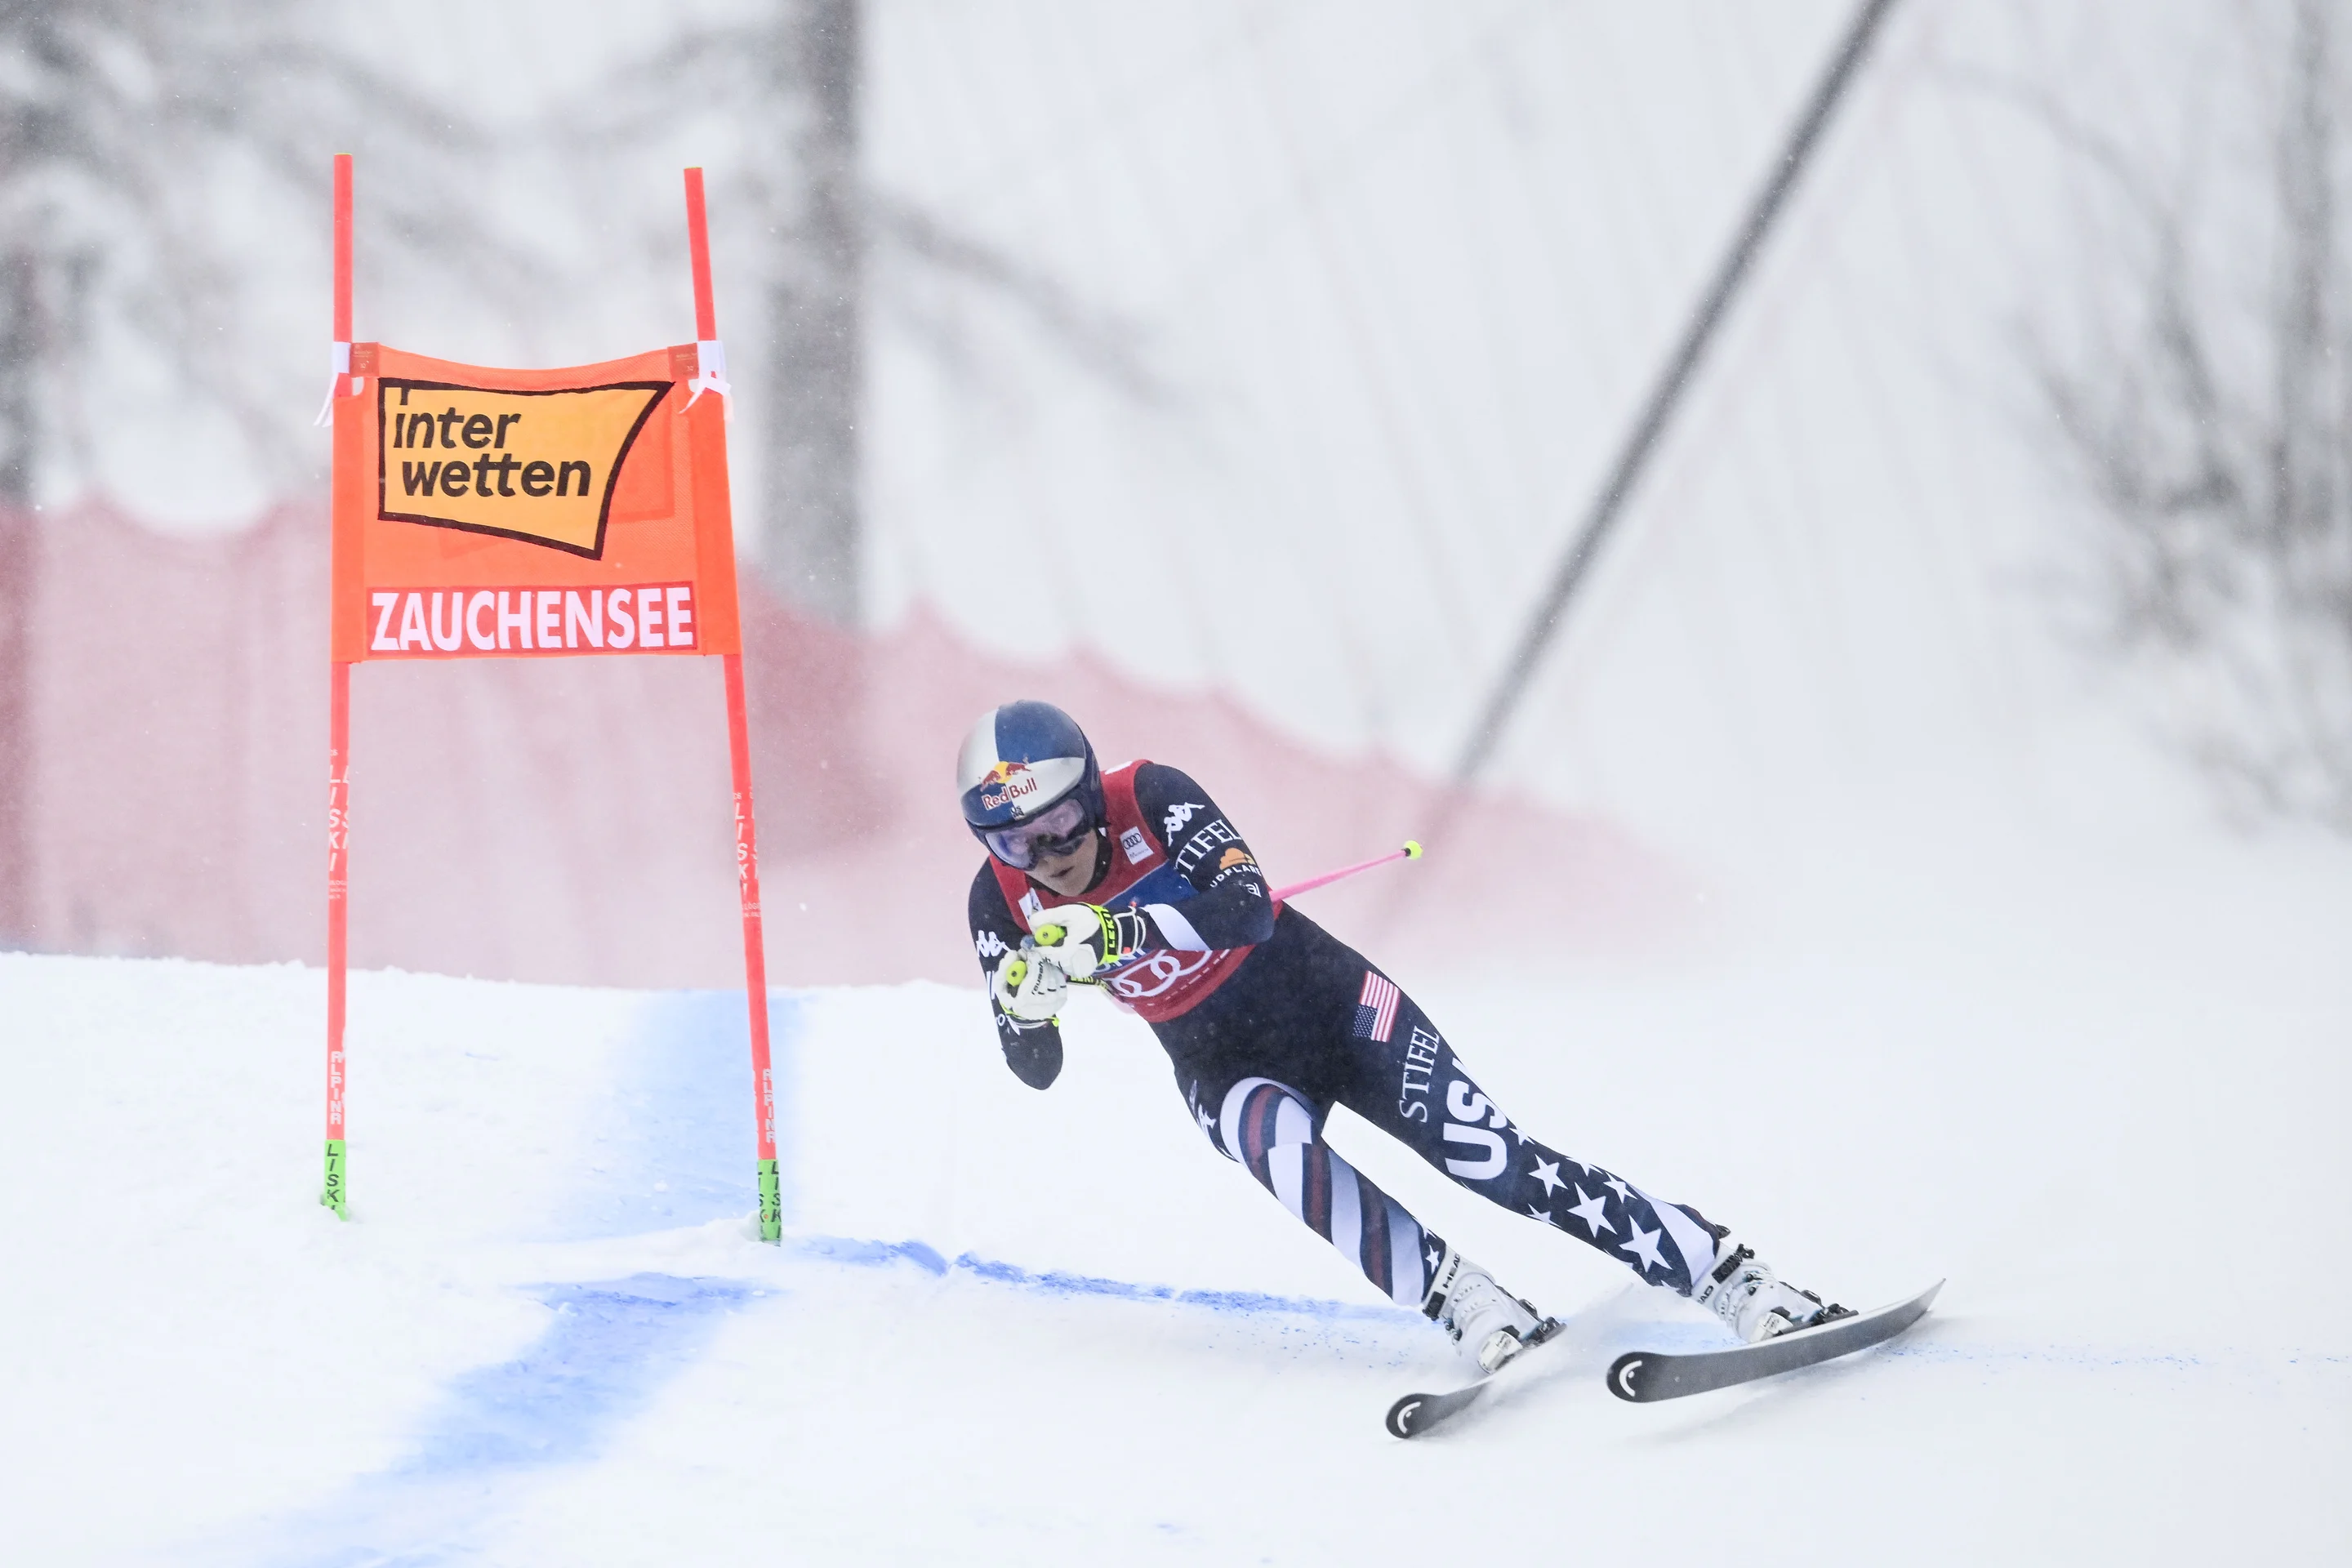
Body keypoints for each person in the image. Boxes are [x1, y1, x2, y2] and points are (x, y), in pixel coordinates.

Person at [960, 700, 1847, 1373]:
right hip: (1218, 1062)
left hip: (1328, 1004)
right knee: (1277, 1153)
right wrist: (1024, 1009)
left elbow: (1245, 909)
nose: (1046, 857)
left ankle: (1727, 1274)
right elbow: (1033, 1068)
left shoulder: (1151, 795)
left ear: (1089, 800)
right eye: (1013, 841)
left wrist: (1122, 933)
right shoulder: (997, 902)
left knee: (1488, 1158)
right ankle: (1462, 1297)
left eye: (1061, 825)